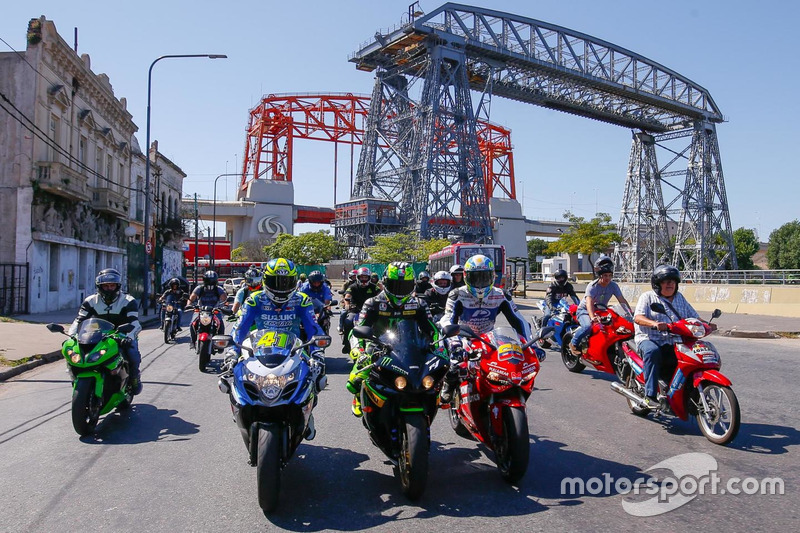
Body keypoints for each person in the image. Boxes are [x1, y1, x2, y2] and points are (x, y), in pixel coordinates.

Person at [227, 258, 326, 438]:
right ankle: (242, 411)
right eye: (276, 282)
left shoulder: (302, 300)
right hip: (258, 350)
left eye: (286, 282)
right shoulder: (254, 299)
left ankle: (307, 414)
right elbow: (239, 329)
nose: (281, 288)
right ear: (266, 280)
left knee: (316, 378)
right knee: (234, 376)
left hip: (294, 349)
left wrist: (317, 352)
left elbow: (313, 328)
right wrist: (232, 351)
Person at [346, 261, 441, 417]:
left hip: (410, 346)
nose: (400, 290)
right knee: (354, 382)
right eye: (395, 285)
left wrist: (440, 348)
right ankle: (358, 396)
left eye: (404, 286)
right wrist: (359, 350)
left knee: (439, 372)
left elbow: (433, 330)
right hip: (377, 345)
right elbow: (357, 330)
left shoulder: (419, 304)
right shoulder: (373, 303)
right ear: (385, 282)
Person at [438, 255, 532, 403]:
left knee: (510, 366)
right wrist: (455, 343)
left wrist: (531, 345)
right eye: (476, 278)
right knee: (455, 364)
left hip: (490, 338)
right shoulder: (457, 294)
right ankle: (448, 386)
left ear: (492, 277)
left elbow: (519, 320)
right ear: (466, 277)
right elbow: (448, 319)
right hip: (463, 337)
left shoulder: (501, 295)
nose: (480, 283)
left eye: (484, 277)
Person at [633, 264, 714, 409]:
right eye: (665, 281)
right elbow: (638, 317)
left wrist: (706, 325)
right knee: (653, 352)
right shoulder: (648, 297)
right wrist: (655, 324)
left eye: (672, 281)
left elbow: (693, 317)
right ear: (657, 284)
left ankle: (685, 392)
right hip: (650, 338)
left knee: (692, 356)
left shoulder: (679, 298)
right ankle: (649, 395)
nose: (670, 284)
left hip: (674, 339)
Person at [69, 268, 143, 394]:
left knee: (133, 354)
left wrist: (129, 337)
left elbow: (135, 323)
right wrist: (72, 335)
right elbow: (79, 320)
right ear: (99, 286)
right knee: (77, 354)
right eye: (105, 286)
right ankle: (76, 377)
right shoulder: (90, 301)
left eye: (112, 285)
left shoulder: (128, 301)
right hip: (97, 335)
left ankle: (134, 379)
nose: (109, 288)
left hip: (122, 335)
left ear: (117, 286)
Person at [568, 256, 632, 357]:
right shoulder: (592, 286)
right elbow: (589, 302)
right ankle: (573, 343)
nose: (608, 278)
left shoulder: (613, 286)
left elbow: (622, 300)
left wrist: (630, 313)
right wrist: (592, 317)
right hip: (585, 310)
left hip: (602, 310)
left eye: (610, 275)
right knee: (587, 326)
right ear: (600, 275)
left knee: (616, 326)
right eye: (605, 275)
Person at [339, 266, 380, 353]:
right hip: (356, 310)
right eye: (362, 277)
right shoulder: (353, 286)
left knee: (381, 323)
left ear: (369, 278)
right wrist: (347, 305)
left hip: (371, 311)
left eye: (365, 277)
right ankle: (346, 344)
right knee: (348, 322)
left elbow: (382, 295)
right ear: (358, 277)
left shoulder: (374, 287)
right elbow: (347, 297)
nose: (364, 279)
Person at [187, 270, 228, 350]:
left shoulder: (218, 289)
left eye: (212, 281)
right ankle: (192, 341)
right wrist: (188, 305)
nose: (210, 283)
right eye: (208, 281)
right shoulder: (200, 288)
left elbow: (224, 299)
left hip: (214, 311)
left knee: (221, 325)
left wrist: (225, 305)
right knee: (192, 323)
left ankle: (220, 344)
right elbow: (192, 297)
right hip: (201, 310)